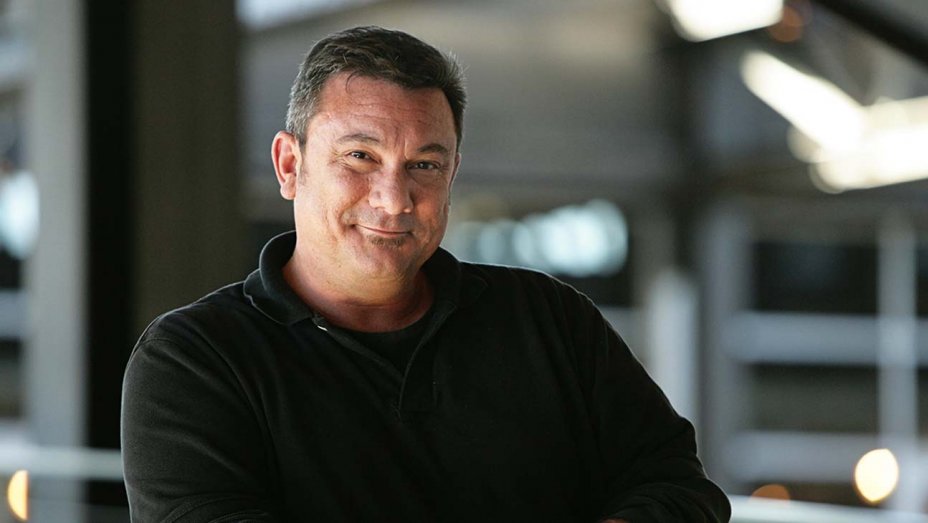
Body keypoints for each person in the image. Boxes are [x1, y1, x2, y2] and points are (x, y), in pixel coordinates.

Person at [121, 25, 730, 522]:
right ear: (289, 165)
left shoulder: (549, 318)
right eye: (360, 157)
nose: (394, 199)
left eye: (424, 165)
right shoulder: (195, 359)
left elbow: (679, 489)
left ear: (452, 174)